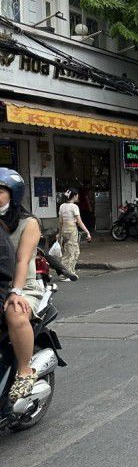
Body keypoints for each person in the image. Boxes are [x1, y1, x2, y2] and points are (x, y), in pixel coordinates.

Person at [0, 168, 44, 402]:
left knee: (15, 313)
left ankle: (25, 371)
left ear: (13, 195)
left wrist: (16, 292)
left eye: (0, 191)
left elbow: (22, 260)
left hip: (23, 286)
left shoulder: (29, 223)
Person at [57, 189, 91, 279]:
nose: (78, 197)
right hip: (72, 230)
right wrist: (87, 232)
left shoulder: (62, 206)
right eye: (77, 195)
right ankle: (68, 274)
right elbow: (79, 221)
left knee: (67, 252)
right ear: (74, 196)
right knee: (73, 252)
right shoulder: (74, 207)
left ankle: (63, 273)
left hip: (64, 230)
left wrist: (59, 233)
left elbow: (60, 222)